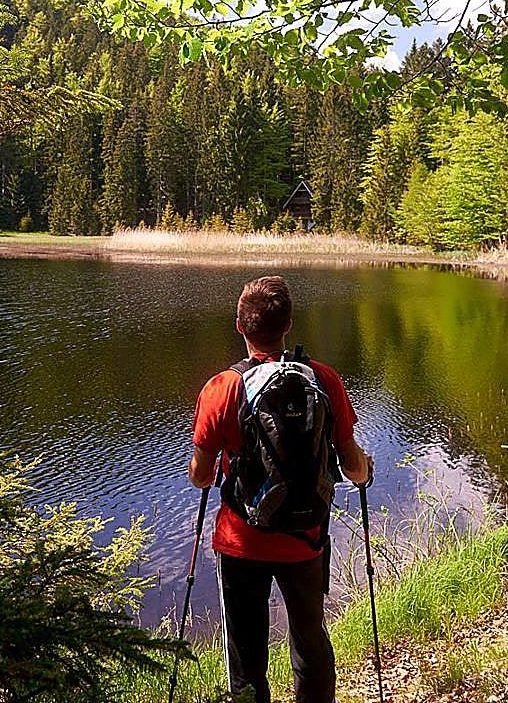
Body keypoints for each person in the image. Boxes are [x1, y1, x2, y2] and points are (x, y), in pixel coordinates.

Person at [188, 275, 371, 703]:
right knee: (309, 639)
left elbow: (199, 474)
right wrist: (364, 474)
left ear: (239, 325)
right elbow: (353, 465)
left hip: (240, 542)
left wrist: (213, 469)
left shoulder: (222, 388)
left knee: (246, 650)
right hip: (305, 540)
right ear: (288, 325)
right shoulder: (323, 379)